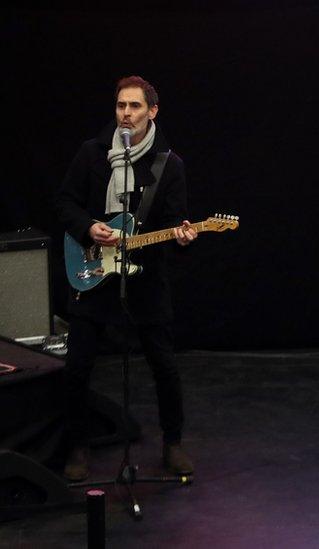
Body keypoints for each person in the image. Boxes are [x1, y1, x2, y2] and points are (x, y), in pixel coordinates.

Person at [55, 75, 196, 481]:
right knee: (78, 367)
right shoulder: (91, 154)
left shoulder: (170, 165)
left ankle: (172, 444)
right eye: (121, 106)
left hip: (146, 281)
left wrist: (184, 237)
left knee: (164, 367)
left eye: (134, 107)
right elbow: (64, 202)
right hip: (92, 272)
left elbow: (174, 224)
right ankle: (77, 446)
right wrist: (88, 228)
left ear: (152, 112)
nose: (126, 114)